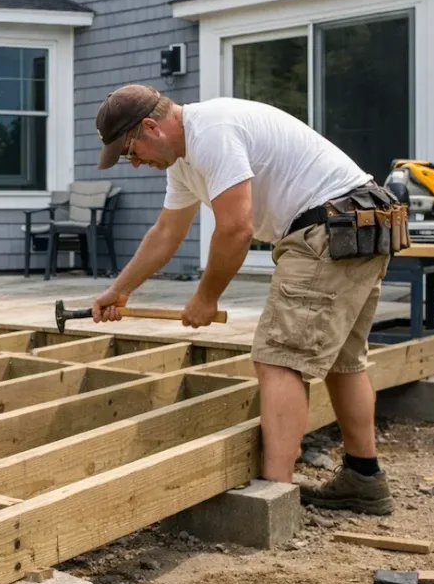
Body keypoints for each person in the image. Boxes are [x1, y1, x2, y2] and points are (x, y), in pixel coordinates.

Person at [90, 84, 398, 516]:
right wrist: (119, 289)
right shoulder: (183, 163)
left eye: (131, 152)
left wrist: (206, 297)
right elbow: (166, 233)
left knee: (278, 359)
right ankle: (364, 478)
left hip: (329, 229)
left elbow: (236, 227)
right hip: (359, 221)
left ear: (150, 127)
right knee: (343, 362)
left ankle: (273, 498)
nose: (136, 163)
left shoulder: (212, 131)